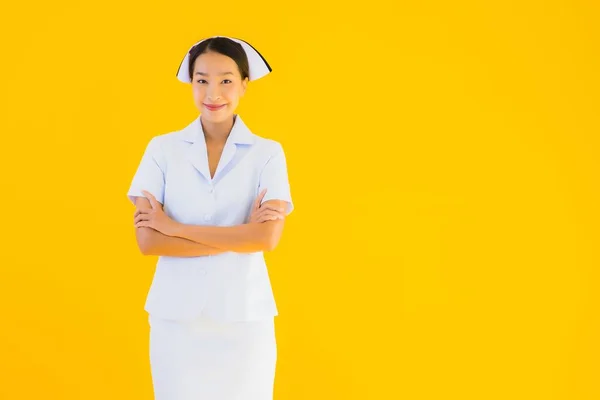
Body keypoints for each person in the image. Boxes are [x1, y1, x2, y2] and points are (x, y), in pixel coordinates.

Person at [126, 35, 293, 400]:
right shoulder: (162, 149)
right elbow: (149, 242)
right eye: (201, 80)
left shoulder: (268, 154)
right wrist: (240, 235)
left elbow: (266, 240)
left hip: (245, 317)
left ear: (244, 85)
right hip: (176, 320)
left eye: (226, 80)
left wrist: (176, 229)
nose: (212, 92)